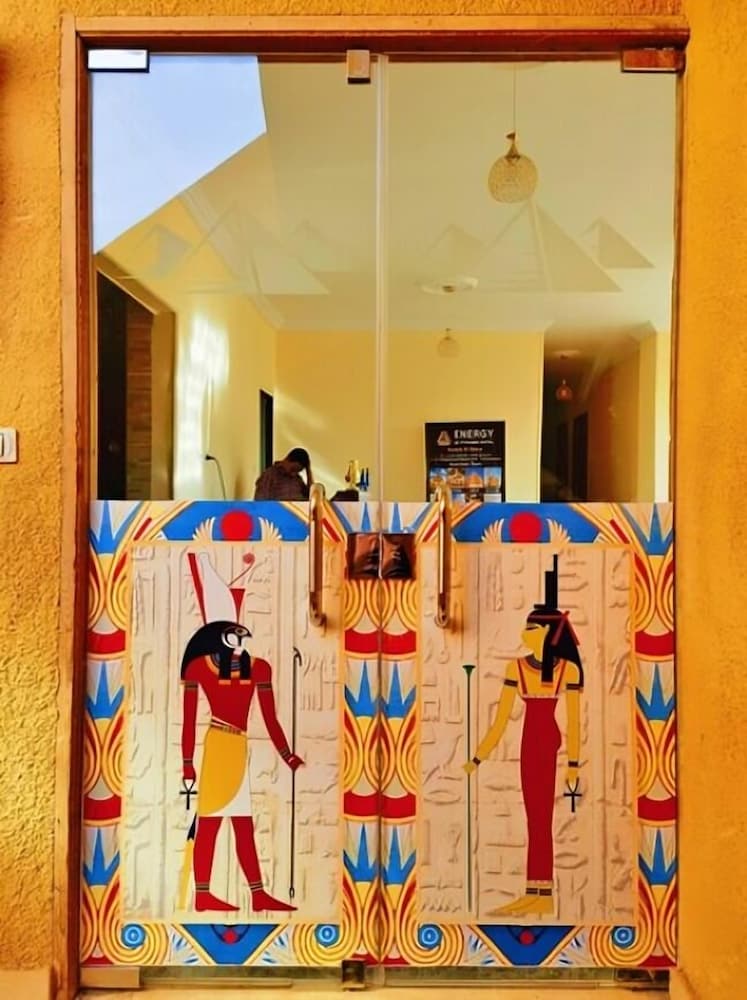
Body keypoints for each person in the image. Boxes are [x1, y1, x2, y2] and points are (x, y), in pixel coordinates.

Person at [463, 555, 583, 917]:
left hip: (546, 740)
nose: (524, 634)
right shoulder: (516, 667)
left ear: (546, 633)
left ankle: (541, 892)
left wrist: (573, 764)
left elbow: (573, 721)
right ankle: (537, 890)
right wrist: (478, 757)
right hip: (529, 742)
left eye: (531, 629)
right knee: (534, 817)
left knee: (541, 817)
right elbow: (501, 719)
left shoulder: (567, 670)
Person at [180, 619, 303, 913]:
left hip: (237, 748)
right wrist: (187, 764)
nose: (241, 642)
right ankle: (203, 894)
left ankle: (257, 895)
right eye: (235, 636)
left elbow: (270, 718)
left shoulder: (258, 668)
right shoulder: (198, 668)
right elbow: (188, 720)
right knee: (210, 823)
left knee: (243, 825)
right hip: (218, 747)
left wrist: (287, 755)